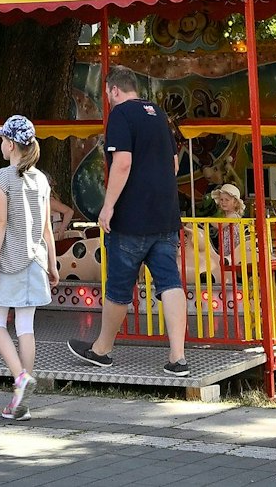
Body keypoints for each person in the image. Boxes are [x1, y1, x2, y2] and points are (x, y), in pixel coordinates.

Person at [71, 65, 188, 376]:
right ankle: (178, 358)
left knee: (120, 287)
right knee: (170, 283)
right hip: (165, 216)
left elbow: (122, 163)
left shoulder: (121, 115)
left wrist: (108, 207)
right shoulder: (159, 114)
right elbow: (174, 163)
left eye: (108, 94)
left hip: (131, 219)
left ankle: (102, 349)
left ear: (113, 90)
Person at [0, 116, 56, 420]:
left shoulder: (3, 177)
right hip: (36, 261)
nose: (1, 144)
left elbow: (0, 223)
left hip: (10, 261)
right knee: (25, 327)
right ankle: (20, 398)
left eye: (2, 139)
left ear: (11, 144)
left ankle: (20, 377)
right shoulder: (41, 179)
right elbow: (46, 227)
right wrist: (53, 263)